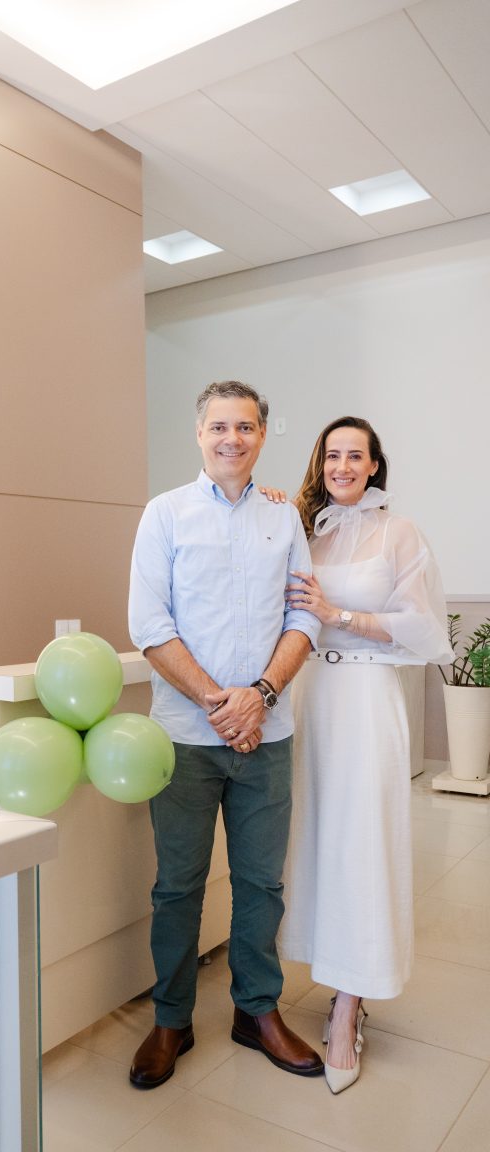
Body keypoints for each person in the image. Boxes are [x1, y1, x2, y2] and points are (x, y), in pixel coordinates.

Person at [127, 380, 324, 1090]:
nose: (231, 438)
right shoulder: (165, 514)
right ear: (199, 433)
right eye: (219, 426)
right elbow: (149, 624)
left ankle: (256, 1011)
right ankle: (171, 1018)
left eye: (245, 427)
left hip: (268, 735)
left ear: (262, 436)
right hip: (186, 737)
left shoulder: (283, 517)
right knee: (177, 887)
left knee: (261, 884)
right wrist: (221, 704)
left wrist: (260, 697)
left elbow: (304, 617)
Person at [279, 416, 452, 1094]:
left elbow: (424, 628)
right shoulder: (306, 529)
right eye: (332, 456)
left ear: (375, 465)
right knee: (316, 840)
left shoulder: (399, 532)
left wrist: (339, 615)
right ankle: (326, 969)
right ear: (320, 464)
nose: (343, 466)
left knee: (364, 843)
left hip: (368, 697)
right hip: (311, 697)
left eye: (356, 455)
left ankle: (349, 1006)